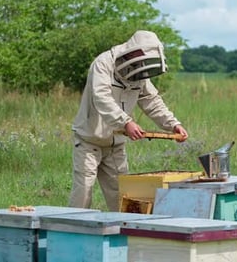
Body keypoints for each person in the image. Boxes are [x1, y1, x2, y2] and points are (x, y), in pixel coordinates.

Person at [69, 30, 188, 211]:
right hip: (89, 141)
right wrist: (126, 122)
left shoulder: (140, 72)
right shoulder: (103, 64)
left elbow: (152, 101)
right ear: (134, 52)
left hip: (115, 145)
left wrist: (173, 124)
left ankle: (123, 236)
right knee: (83, 192)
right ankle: (72, 233)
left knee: (122, 196)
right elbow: (101, 97)